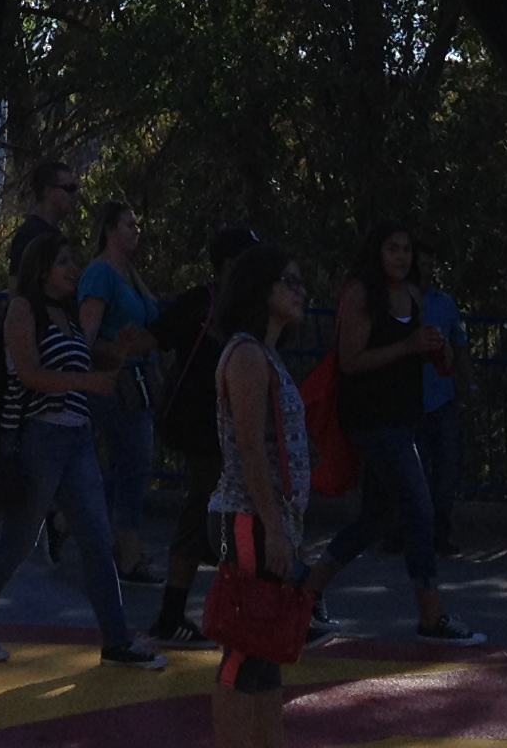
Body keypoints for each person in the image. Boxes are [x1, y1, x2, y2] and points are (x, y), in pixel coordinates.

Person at [0, 230, 166, 672]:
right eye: (64, 262)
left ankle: (117, 640)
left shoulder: (68, 314)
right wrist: (88, 382)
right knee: (19, 540)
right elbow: (30, 374)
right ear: (42, 268)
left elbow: (91, 363)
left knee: (96, 539)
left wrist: (120, 350)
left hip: (76, 437)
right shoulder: (23, 310)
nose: (73, 270)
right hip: (38, 437)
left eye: (73, 261)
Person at [311, 225, 483, 645]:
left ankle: (306, 591)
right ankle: (431, 615)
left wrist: (436, 350)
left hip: (405, 416)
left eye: (407, 250)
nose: (401, 257)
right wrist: (407, 347)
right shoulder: (361, 293)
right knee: (420, 510)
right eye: (392, 248)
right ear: (377, 252)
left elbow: (414, 351)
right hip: (371, 419)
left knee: (374, 517)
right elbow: (350, 360)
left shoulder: (413, 294)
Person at [0, 157, 81, 559]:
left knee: (23, 442)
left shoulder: (47, 236)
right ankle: (27, 524)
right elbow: (17, 293)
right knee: (12, 442)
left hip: (39, 351)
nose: (74, 195)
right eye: (68, 188)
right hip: (27, 355)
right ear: (47, 191)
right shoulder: (33, 237)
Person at [209, 241, 312, 743]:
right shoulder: (248, 354)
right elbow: (249, 448)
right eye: (289, 282)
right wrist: (273, 527)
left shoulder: (267, 354)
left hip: (267, 517)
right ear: (261, 288)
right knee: (246, 646)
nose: (301, 292)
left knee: (266, 647)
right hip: (248, 516)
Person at [146, 222, 259, 646]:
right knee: (205, 513)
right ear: (229, 265)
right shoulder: (204, 303)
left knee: (220, 514)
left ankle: (192, 609)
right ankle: (173, 615)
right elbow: (155, 335)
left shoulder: (246, 307)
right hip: (202, 428)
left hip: (226, 426)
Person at [76, 198, 164, 583]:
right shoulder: (100, 275)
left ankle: (69, 516)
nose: (136, 231)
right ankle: (128, 550)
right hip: (115, 381)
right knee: (135, 463)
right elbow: (87, 334)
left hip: (140, 378)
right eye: (129, 225)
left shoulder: (130, 273)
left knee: (130, 465)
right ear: (111, 230)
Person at [413, 239, 466, 555]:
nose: (427, 270)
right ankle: (410, 530)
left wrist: (466, 384)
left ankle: (441, 530)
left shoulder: (445, 303)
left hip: (442, 395)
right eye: (422, 263)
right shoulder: (398, 301)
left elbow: (459, 344)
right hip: (409, 398)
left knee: (446, 466)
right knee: (414, 469)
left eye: (431, 265)